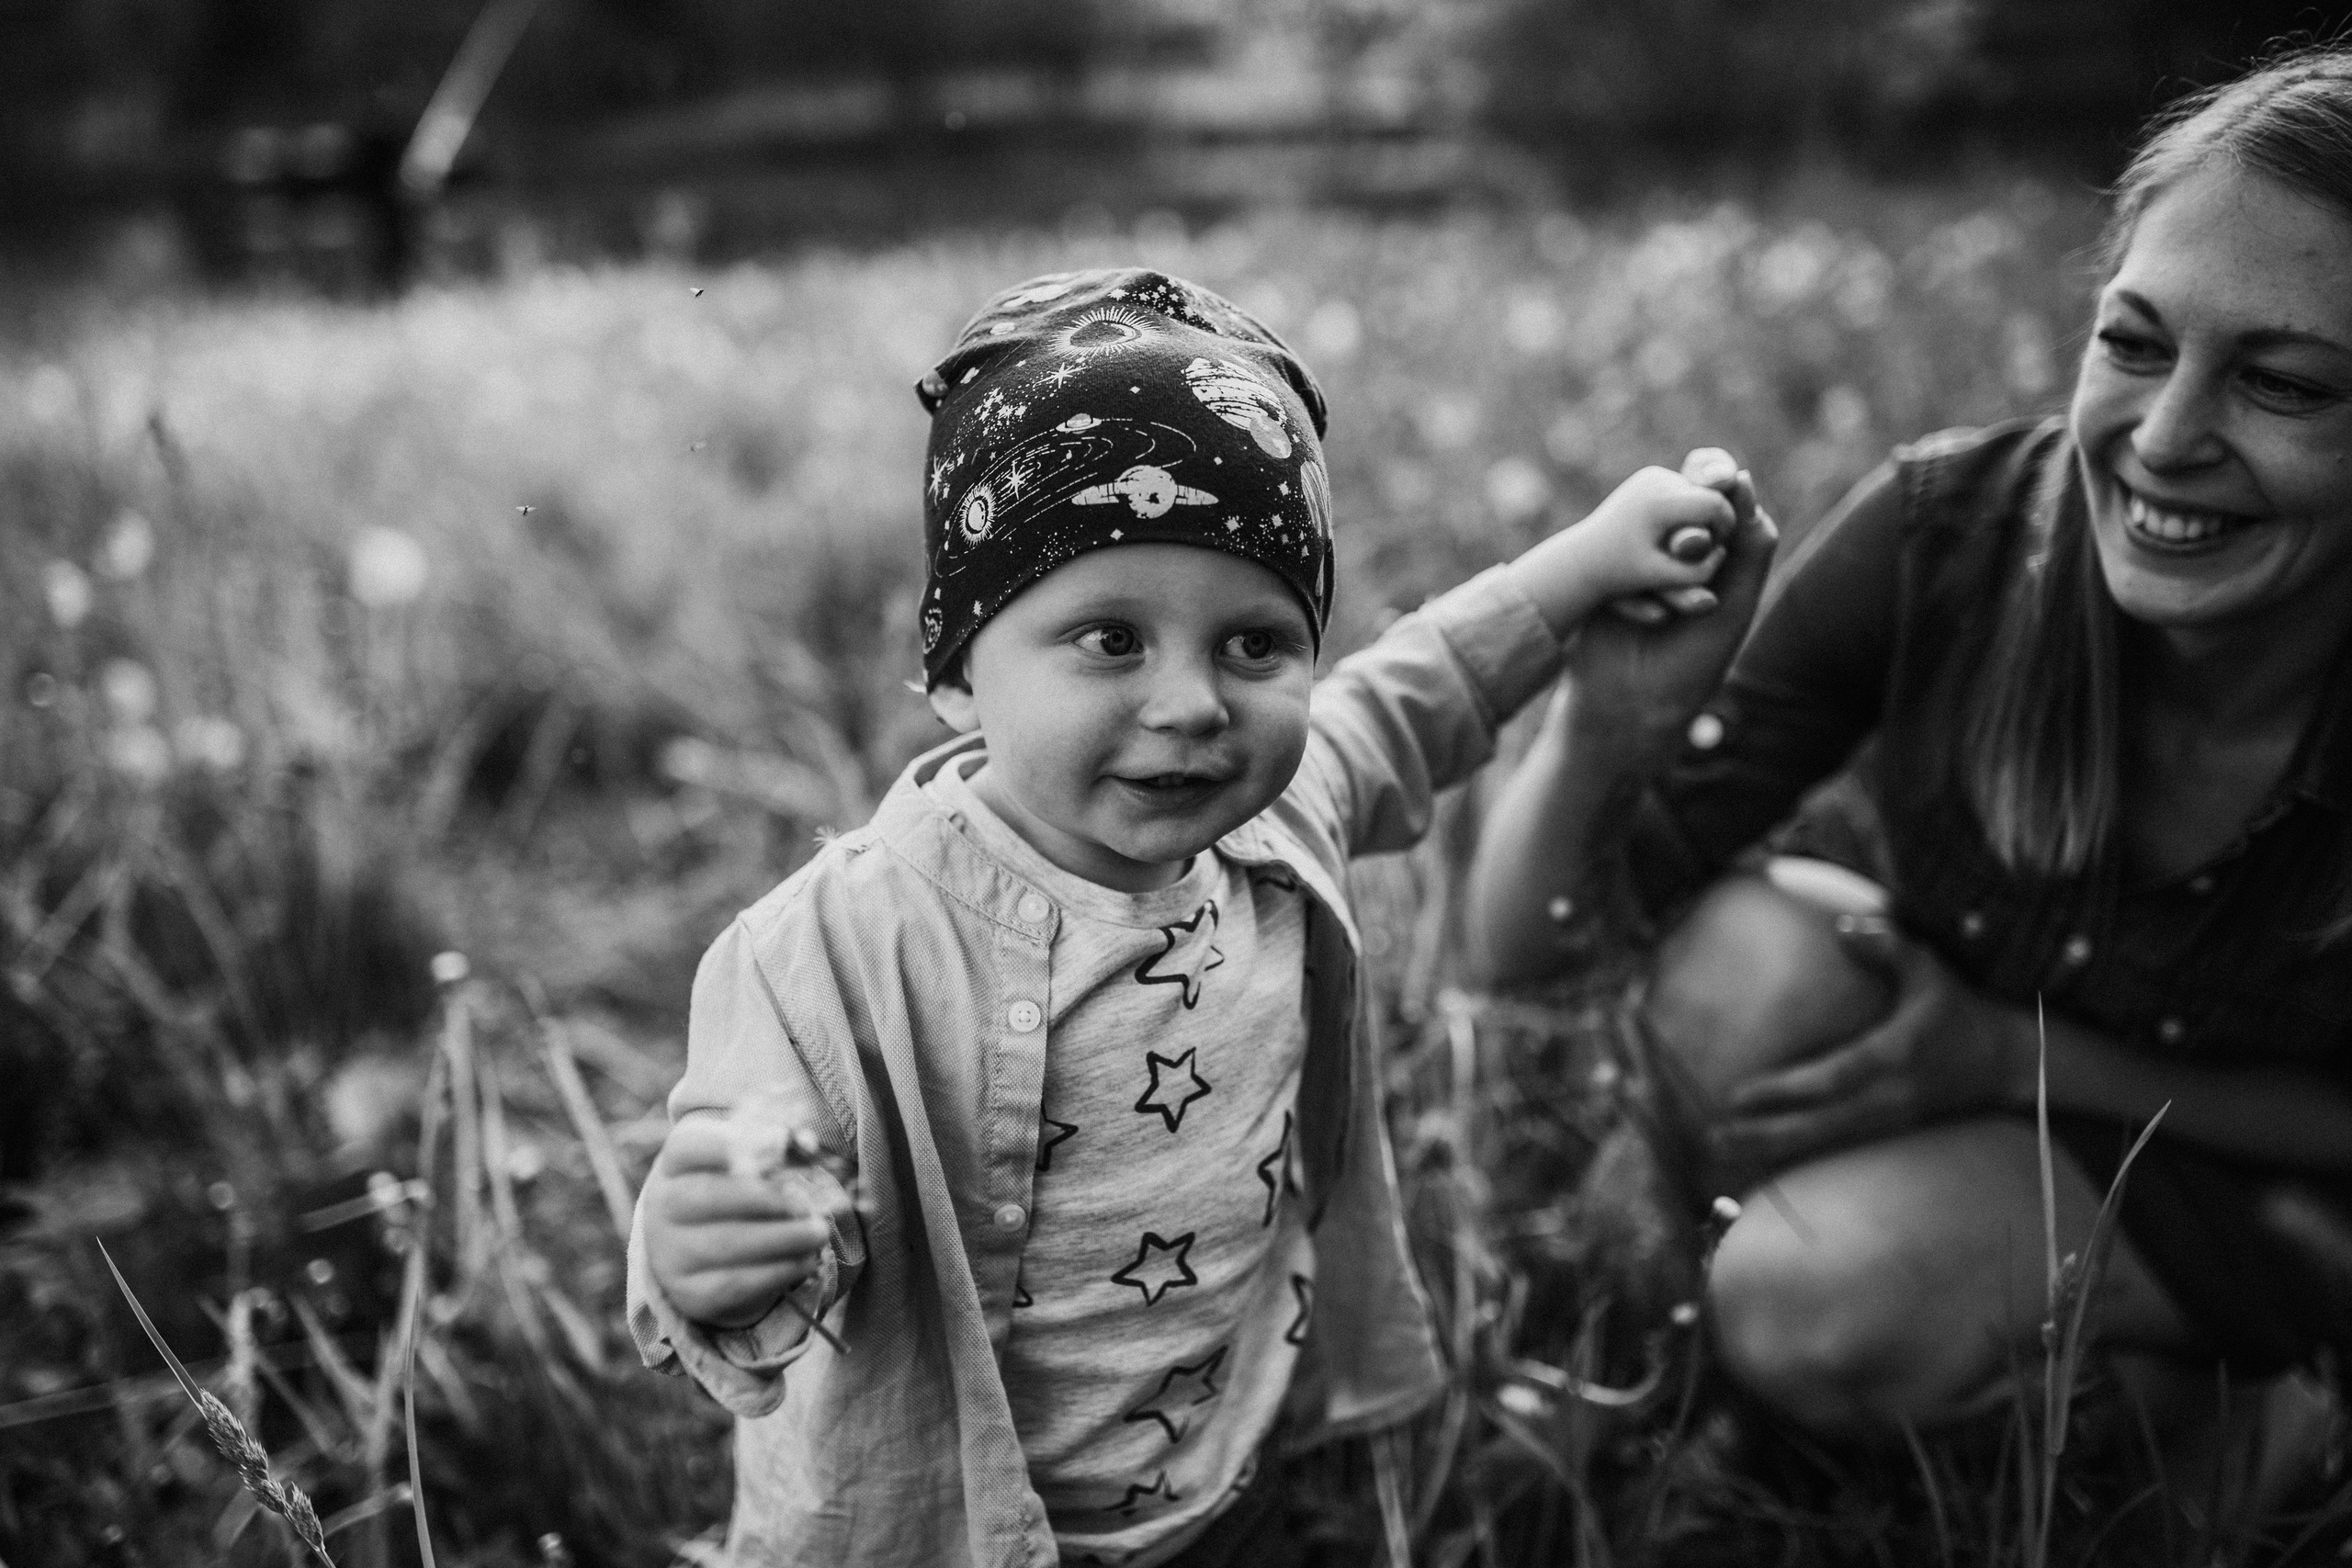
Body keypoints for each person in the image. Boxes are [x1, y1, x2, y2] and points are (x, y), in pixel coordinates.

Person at [625, 267, 1775, 1567]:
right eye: (1111, 639)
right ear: (955, 676)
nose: (1192, 705)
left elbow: (1414, 693)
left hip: (1212, 1484)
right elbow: (738, 1165)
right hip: (930, 1526)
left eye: (1254, 644)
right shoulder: (832, 944)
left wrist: (1580, 573)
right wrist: (701, 1244)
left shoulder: (1271, 830)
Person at [1466, 45, 2352, 1457]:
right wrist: (1601, 728)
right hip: (2032, 1124)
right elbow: (1527, 948)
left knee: (1808, 1295)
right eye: (2133, 343)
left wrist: (2012, 1055)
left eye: (2285, 384)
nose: (2166, 437)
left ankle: (2250, 1419)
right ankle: (1983, 1373)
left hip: (2298, 1189)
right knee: (1745, 976)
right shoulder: (1956, 537)